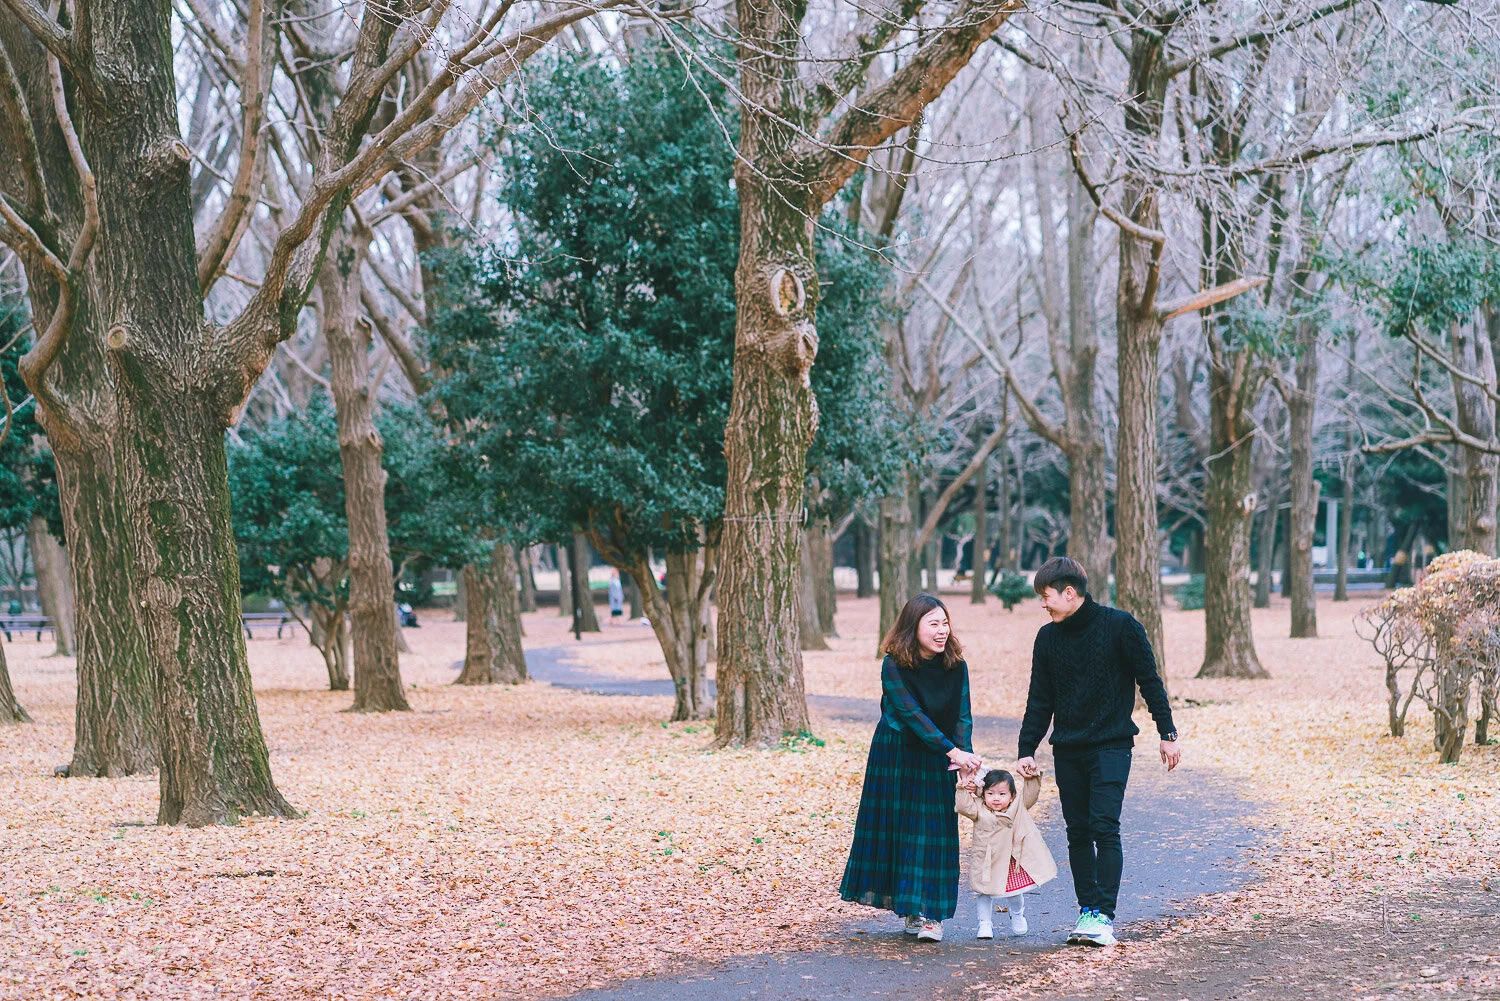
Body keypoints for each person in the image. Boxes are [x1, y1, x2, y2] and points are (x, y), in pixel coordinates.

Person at [1015, 556, 1179, 948]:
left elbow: (1149, 682)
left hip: (1111, 744)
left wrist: (1167, 732)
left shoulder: (1120, 627)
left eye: (1047, 596)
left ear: (1070, 593)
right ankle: (1087, 910)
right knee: (1077, 832)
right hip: (1068, 748)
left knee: (1104, 826)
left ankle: (1103, 916)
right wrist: (1026, 748)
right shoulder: (1047, 638)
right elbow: (1040, 699)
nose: (1043, 604)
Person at [840, 594, 982, 943]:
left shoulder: (956, 665)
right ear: (913, 627)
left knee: (934, 830)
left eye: (945, 622)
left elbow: (962, 713)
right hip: (898, 753)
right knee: (901, 829)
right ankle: (911, 909)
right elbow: (909, 714)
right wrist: (952, 750)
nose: (942, 630)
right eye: (933, 623)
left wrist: (964, 756)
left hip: (939, 757)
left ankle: (933, 914)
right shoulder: (893, 665)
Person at [955, 768, 1057, 939]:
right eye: (991, 793)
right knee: (984, 891)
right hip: (988, 860)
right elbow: (964, 807)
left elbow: (1030, 796)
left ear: (1011, 795)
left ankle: (1017, 914)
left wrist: (1031, 778)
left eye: (1002, 794)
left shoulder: (1018, 806)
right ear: (983, 794)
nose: (996, 798)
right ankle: (984, 924)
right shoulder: (979, 808)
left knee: (1015, 892)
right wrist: (963, 788)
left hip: (1011, 859)